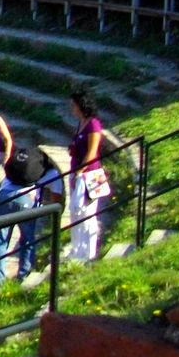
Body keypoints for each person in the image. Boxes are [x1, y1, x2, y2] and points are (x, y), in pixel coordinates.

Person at [0, 148, 58, 290]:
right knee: (27, 238)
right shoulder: (50, 172)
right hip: (27, 200)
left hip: (5, 195)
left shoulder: (15, 169)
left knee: (1, 239)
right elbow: (57, 197)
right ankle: (25, 273)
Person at [65, 90, 113, 262]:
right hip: (79, 174)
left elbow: (92, 152)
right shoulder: (81, 123)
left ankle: (88, 253)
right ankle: (77, 249)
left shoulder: (94, 124)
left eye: (74, 105)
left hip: (90, 175)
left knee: (87, 214)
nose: (72, 109)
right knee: (76, 214)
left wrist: (79, 172)